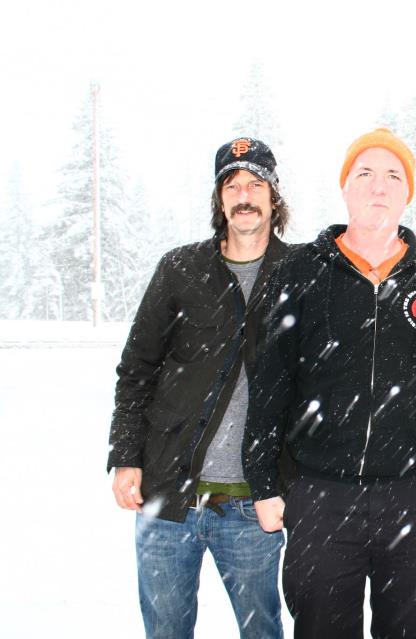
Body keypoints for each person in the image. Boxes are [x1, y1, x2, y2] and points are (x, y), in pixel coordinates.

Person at [243, 127, 416, 639]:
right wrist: (263, 482)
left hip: (412, 495)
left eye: (393, 176)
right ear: (345, 186)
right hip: (321, 494)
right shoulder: (301, 272)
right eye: (365, 173)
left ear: (407, 192)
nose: (378, 186)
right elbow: (271, 382)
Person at [108, 137, 290, 638]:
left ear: (274, 195)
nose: (244, 196)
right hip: (168, 499)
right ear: (219, 199)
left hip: (254, 505)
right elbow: (137, 369)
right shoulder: (180, 269)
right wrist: (125, 455)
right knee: (166, 631)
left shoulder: (300, 273)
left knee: (262, 631)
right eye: (232, 186)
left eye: (255, 184)